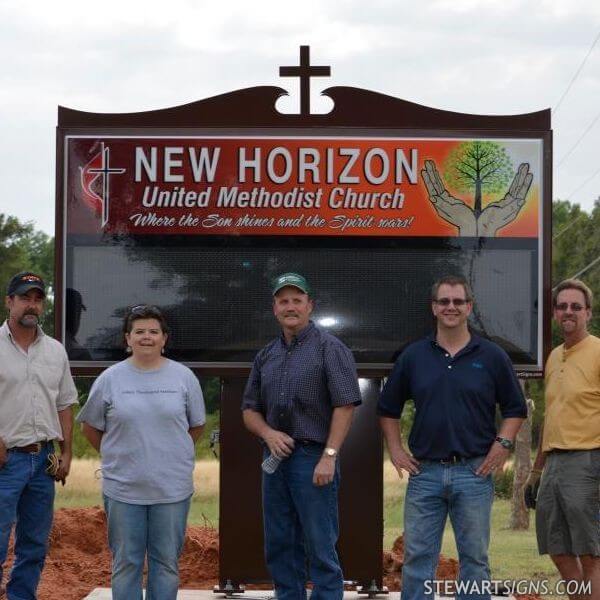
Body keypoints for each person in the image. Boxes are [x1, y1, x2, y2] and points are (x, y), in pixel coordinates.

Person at [378, 275, 526, 600]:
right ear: (434, 307)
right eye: (444, 301)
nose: (451, 307)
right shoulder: (414, 356)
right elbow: (387, 408)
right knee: (417, 560)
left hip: (474, 474)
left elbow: (515, 409)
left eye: (458, 301)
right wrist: (395, 449)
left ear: (469, 307)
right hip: (425, 474)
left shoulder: (491, 355)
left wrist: (502, 445)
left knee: (474, 560)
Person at [242, 273, 361, 600]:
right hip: (275, 460)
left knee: (319, 544)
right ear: (275, 308)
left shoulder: (330, 348)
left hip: (314, 459)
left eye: (297, 300)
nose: (290, 306)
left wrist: (329, 456)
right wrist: (268, 433)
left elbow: (345, 405)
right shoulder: (266, 355)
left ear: (310, 306)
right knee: (280, 543)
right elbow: (249, 410)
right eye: (284, 301)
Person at [77, 305, 206, 600]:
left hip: (171, 490)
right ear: (127, 338)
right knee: (126, 564)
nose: (146, 337)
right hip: (124, 491)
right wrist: (118, 455)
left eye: (153, 332)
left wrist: (170, 452)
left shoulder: (184, 378)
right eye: (139, 332)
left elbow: (196, 426)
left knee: (166, 564)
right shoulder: (110, 379)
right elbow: (90, 427)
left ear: (164, 339)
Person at [0, 271, 78, 599]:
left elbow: (64, 404)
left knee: (34, 544)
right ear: (9, 302)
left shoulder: (55, 351)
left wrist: (67, 452)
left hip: (44, 459)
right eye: (25, 298)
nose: (32, 305)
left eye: (38, 299)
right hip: (5, 460)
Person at [525, 279, 599, 599]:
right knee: (557, 548)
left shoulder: (597, 351)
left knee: (590, 553)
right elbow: (550, 417)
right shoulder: (554, 357)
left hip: (588, 461)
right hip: (553, 463)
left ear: (588, 314)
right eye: (562, 306)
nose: (568, 312)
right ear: (555, 313)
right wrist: (536, 471)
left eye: (576, 307)